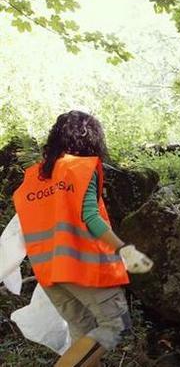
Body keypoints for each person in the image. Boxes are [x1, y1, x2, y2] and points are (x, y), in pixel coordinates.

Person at [12, 111, 153, 367]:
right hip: (82, 267)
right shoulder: (82, 168)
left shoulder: (35, 177)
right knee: (116, 324)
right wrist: (125, 251)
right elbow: (90, 216)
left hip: (48, 272)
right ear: (91, 138)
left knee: (83, 331)